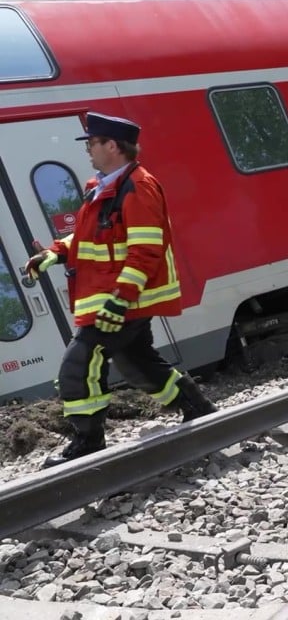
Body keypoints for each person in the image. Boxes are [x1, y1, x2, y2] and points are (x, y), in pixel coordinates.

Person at [24, 112, 217, 468]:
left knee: (77, 366)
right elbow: (88, 236)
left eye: (92, 144)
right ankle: (199, 410)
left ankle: (88, 445)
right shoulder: (102, 185)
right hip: (114, 297)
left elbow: (146, 250)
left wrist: (120, 301)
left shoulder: (138, 187)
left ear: (112, 146)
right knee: (137, 361)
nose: (89, 151)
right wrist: (54, 252)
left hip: (122, 299)